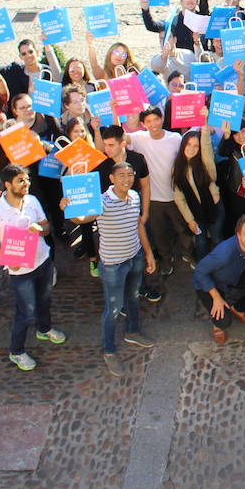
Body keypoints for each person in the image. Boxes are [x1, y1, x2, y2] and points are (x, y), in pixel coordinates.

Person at [0, 165, 66, 371]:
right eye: (21, 180)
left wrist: (41, 229)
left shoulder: (32, 201)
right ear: (7, 185)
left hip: (42, 260)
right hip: (20, 271)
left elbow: (46, 226)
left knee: (45, 300)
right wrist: (6, 259)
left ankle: (44, 329)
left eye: (27, 179)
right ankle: (17, 351)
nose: (26, 183)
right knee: (26, 311)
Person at [87, 161, 156, 376]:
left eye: (130, 175)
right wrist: (69, 208)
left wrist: (148, 253)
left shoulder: (134, 196)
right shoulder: (102, 201)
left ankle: (132, 331)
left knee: (133, 297)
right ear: (112, 179)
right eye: (122, 176)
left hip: (134, 257)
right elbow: (83, 218)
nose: (127, 180)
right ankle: (109, 350)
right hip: (113, 265)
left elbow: (138, 225)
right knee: (113, 309)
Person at [126, 107, 186, 299]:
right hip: (153, 198)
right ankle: (166, 260)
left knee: (183, 229)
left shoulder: (175, 138)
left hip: (176, 196)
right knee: (159, 234)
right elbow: (121, 138)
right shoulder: (139, 138)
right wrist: (117, 111)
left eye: (156, 119)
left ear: (162, 119)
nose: (153, 124)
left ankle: (188, 254)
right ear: (143, 124)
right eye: (149, 121)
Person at [192, 215, 245, 344]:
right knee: (223, 321)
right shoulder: (223, 254)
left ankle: (238, 309)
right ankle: (217, 325)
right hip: (212, 282)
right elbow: (200, 271)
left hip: (235, 273)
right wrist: (216, 297)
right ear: (238, 235)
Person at [172, 124, 220, 264]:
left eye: (196, 146)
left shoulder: (204, 162)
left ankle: (220, 265)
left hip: (214, 206)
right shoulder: (177, 168)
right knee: (201, 241)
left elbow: (206, 148)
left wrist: (204, 129)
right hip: (195, 212)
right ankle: (202, 267)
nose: (191, 148)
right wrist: (190, 220)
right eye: (188, 144)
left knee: (217, 238)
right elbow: (179, 198)